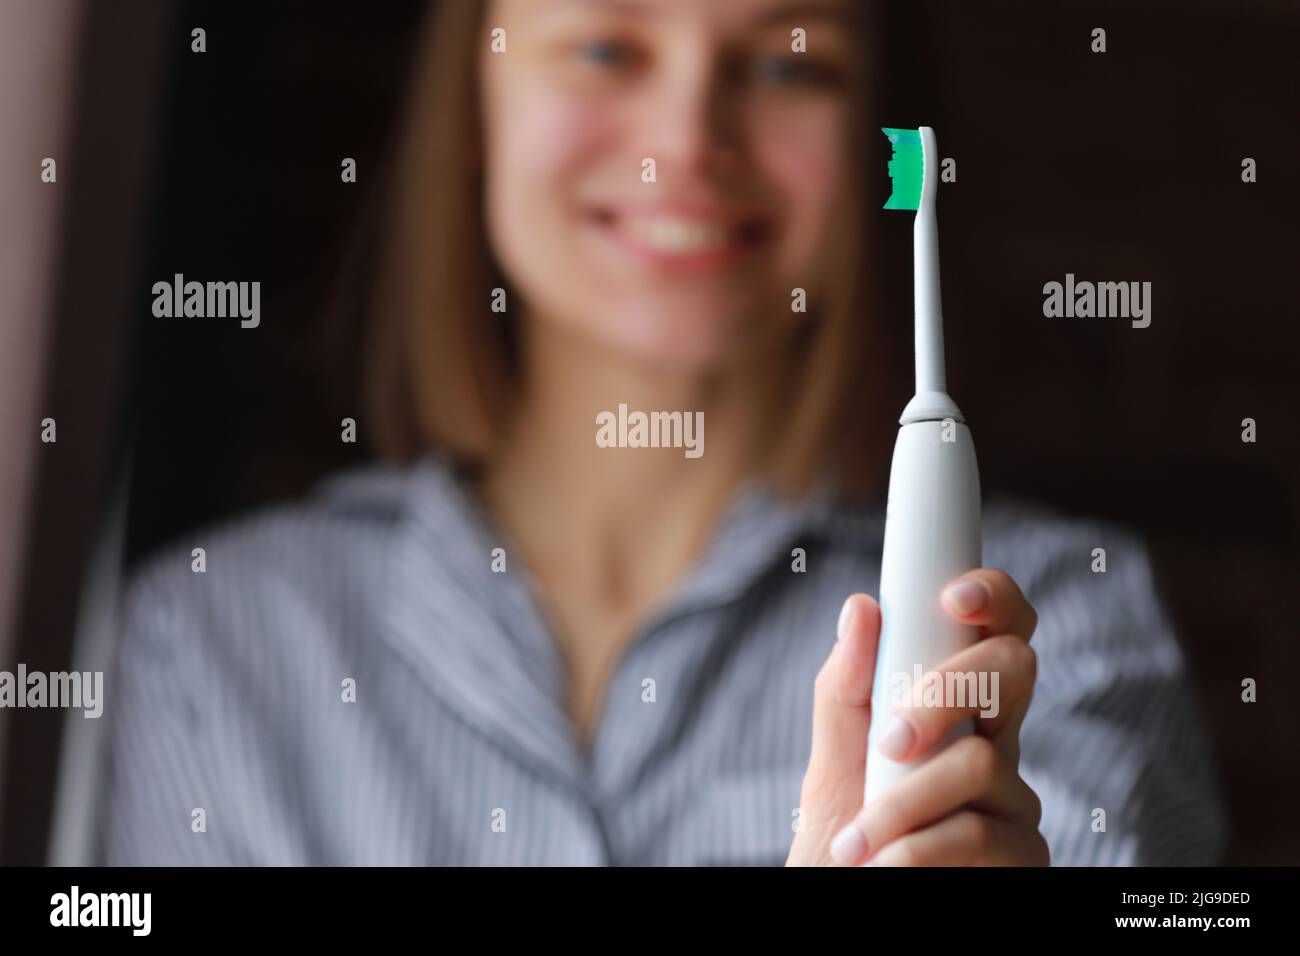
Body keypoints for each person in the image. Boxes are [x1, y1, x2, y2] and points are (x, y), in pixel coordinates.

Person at [101, 0, 1225, 866]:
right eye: (605, 48)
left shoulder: (1058, 637)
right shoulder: (207, 648)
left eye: (789, 64)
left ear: (870, 130)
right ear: (474, 105)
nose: (686, 141)